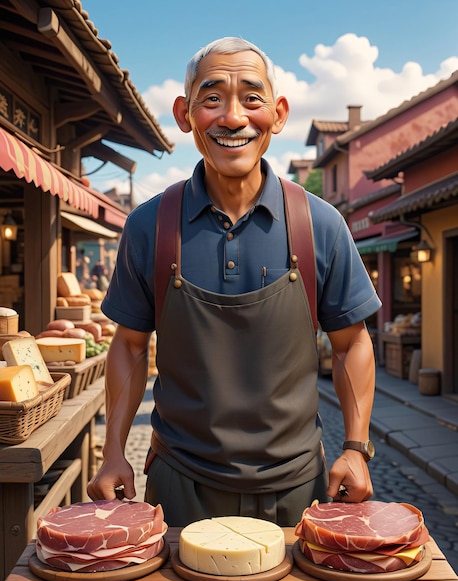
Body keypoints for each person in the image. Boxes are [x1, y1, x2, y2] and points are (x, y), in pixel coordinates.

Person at [87, 37, 382, 526]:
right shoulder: (149, 227)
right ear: (185, 114)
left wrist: (356, 447)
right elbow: (131, 346)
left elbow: (352, 343)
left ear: (279, 113)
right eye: (211, 98)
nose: (232, 117)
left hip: (299, 487)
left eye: (251, 98)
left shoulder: (320, 226)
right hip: (179, 484)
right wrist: (112, 449)